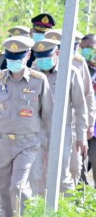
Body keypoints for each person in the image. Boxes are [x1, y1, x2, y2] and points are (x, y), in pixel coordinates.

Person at [0, 36, 53, 217]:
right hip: (0, 143)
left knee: (18, 187)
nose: (13, 62)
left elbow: (47, 116)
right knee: (5, 192)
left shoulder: (39, 80)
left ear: (28, 56)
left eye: (18, 58)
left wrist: (47, 148)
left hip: (27, 143)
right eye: (10, 58)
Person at [29, 38, 88, 196]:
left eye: (47, 57)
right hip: (35, 130)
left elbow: (80, 107)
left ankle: (66, 209)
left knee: (61, 175)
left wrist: (81, 137)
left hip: (62, 130)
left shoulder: (70, 73)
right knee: (34, 175)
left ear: (57, 53)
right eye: (39, 57)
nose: (43, 61)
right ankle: (36, 209)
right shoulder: (32, 73)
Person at [45, 29, 96, 184]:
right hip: (45, 125)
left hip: (72, 123)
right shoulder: (40, 63)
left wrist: (89, 123)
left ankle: (71, 197)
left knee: (74, 167)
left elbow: (87, 94)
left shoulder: (78, 63)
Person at [80, 34, 96, 184]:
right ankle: (80, 194)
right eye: (83, 48)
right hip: (82, 121)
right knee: (79, 163)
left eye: (90, 48)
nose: (86, 51)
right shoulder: (79, 68)